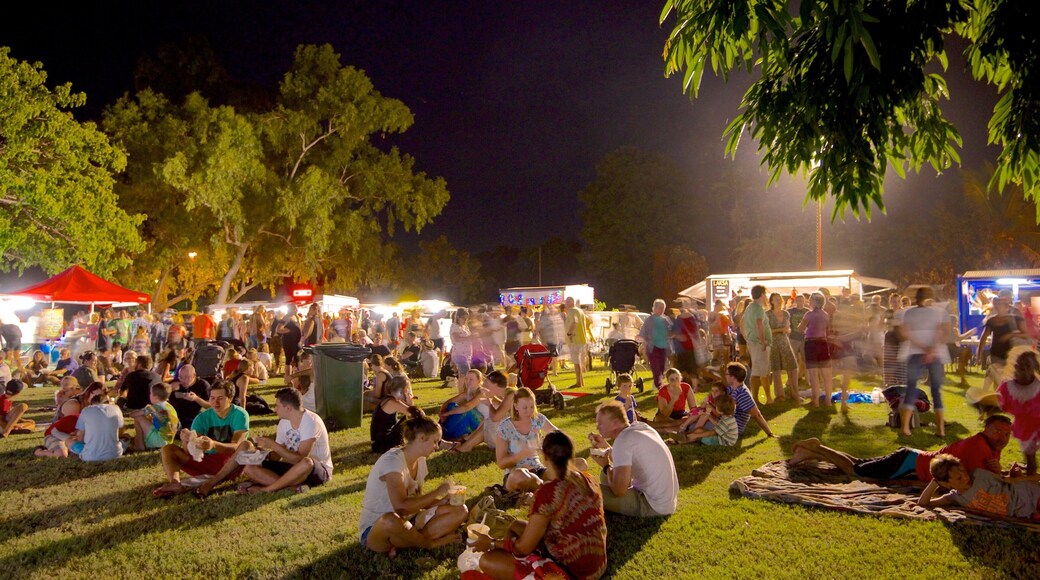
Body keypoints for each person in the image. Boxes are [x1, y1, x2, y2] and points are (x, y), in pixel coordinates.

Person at [467, 431, 608, 580]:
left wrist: (492, 543)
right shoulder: (589, 479)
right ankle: (515, 566)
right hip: (597, 564)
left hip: (572, 573)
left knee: (487, 560)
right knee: (514, 525)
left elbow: (523, 548)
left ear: (545, 457)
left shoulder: (547, 493)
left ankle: (522, 569)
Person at [359, 413, 469, 556]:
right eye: (435, 442)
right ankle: (429, 543)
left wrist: (441, 501)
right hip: (377, 529)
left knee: (461, 510)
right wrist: (437, 492)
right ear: (422, 438)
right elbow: (401, 508)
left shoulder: (420, 460)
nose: (436, 447)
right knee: (390, 520)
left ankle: (409, 542)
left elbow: (416, 501)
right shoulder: (392, 462)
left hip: (410, 521)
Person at [788, 414, 1014, 481]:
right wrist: (999, 474)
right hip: (910, 465)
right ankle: (817, 447)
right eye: (997, 431)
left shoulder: (990, 444)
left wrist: (999, 471)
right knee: (857, 472)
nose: (1002, 437)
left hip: (910, 458)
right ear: (986, 429)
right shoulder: (978, 447)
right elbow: (974, 482)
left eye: (1006, 434)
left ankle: (812, 451)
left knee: (859, 464)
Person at [197, 388, 332, 497]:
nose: (275, 409)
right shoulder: (284, 422)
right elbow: (277, 455)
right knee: (248, 464)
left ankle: (266, 489)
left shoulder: (310, 421)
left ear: (288, 408)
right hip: (292, 469)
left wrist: (273, 445)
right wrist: (262, 455)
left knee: (307, 462)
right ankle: (292, 487)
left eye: (277, 406)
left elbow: (299, 459)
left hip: (316, 470)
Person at [154, 382, 249, 497]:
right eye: (212, 398)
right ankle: (175, 483)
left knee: (247, 445)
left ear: (230, 398)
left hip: (231, 463)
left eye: (220, 398)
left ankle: (211, 482)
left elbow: (236, 447)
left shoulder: (239, 414)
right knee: (168, 449)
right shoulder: (201, 418)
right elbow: (190, 453)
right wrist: (187, 440)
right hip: (206, 462)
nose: (215, 402)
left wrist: (213, 445)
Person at [589, 400, 678, 517]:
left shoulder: (623, 440)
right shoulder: (641, 427)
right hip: (666, 503)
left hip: (651, 505)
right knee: (605, 476)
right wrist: (606, 446)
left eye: (600, 423)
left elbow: (619, 491)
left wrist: (606, 466)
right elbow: (627, 457)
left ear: (615, 423)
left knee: (588, 490)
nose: (597, 427)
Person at [919, 454, 1040, 518]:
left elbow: (1006, 481)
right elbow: (923, 503)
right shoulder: (955, 498)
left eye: (964, 471)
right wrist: (934, 482)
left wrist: (1013, 476)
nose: (965, 477)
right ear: (947, 484)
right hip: (1025, 510)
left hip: (1029, 494)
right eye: (959, 478)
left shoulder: (979, 475)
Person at [899, 286, 949, 437]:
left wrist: (922, 347)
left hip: (915, 351)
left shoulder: (909, 313)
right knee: (936, 390)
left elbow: (906, 333)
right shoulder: (938, 312)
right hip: (933, 353)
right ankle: (940, 429)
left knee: (911, 388)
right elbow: (941, 333)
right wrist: (931, 350)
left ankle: (905, 428)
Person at [496, 387, 559, 492]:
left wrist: (547, 443)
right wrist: (522, 454)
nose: (529, 411)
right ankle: (546, 487)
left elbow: (559, 435)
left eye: (532, 407)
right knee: (520, 476)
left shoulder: (538, 419)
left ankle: (542, 487)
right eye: (525, 408)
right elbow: (501, 463)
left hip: (538, 470)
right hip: (516, 474)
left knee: (578, 465)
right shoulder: (504, 427)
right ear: (516, 406)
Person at [997, 348, 1040, 475]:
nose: (1023, 369)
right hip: (1025, 426)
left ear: (1034, 368)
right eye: (1020, 365)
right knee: (1029, 454)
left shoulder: (1037, 388)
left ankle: (1031, 477)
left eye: (1028, 366)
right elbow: (999, 402)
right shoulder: (1008, 386)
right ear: (1015, 366)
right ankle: (1031, 476)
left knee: (1030, 455)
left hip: (1036, 425)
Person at [456, 370, 516, 453]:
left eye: (487, 383)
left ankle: (466, 445)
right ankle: (467, 441)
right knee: (487, 420)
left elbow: (495, 418)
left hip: (518, 439)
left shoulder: (511, 395)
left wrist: (489, 404)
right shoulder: (509, 392)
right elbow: (505, 409)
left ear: (495, 385)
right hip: (516, 432)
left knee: (490, 420)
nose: (484, 386)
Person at [69, 381, 125, 462]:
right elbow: (121, 430)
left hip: (90, 456)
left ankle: (76, 455)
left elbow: (80, 438)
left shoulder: (86, 411)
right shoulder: (116, 408)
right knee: (126, 438)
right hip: (116, 454)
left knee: (68, 441)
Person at [722, 362, 776, 439]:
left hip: (730, 429)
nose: (725, 376)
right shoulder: (732, 388)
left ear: (733, 377)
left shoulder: (742, 394)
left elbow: (756, 415)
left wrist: (769, 433)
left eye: (727, 374)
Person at [122, 354, 163, 451]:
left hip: (133, 405)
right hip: (153, 405)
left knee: (137, 416)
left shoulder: (131, 375)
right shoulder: (156, 376)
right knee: (140, 416)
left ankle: (139, 444)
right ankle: (141, 441)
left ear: (139, 363)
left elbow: (122, 391)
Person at [798, 292, 832, 407]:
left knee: (813, 374)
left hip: (811, 343)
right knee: (826, 374)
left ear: (814, 301)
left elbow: (800, 328)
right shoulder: (825, 314)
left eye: (810, 300)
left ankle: (815, 400)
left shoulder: (809, 314)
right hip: (823, 343)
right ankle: (828, 400)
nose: (808, 302)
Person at [741, 285, 772, 404]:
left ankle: (759, 398)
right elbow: (759, 323)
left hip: (752, 341)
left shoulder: (749, 307)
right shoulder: (758, 308)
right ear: (762, 295)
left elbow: (742, 323)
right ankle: (761, 398)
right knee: (760, 371)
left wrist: (747, 337)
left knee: (759, 370)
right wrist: (762, 340)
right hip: (759, 343)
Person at [766, 293, 799, 404]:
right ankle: (780, 395)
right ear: (771, 301)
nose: (778, 301)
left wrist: (787, 330)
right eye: (776, 299)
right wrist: (780, 330)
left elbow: (788, 327)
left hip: (785, 342)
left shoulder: (786, 313)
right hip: (773, 343)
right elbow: (767, 331)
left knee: (792, 366)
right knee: (776, 368)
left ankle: (794, 393)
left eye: (779, 299)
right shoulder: (768, 314)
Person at [670, 393, 738, 446]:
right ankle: (685, 436)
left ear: (721, 411)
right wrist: (708, 416)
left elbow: (711, 433)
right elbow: (717, 424)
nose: (715, 407)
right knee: (698, 430)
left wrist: (696, 435)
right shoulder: (728, 417)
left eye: (716, 406)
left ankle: (680, 441)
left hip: (722, 442)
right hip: (720, 437)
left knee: (699, 435)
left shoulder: (725, 422)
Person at [371, 376, 418, 454]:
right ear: (403, 391)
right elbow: (417, 414)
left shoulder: (388, 399)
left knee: (408, 418)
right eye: (408, 390)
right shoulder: (392, 403)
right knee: (410, 419)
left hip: (378, 443)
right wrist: (410, 402)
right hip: (382, 445)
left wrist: (409, 403)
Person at [639, 299, 673, 388]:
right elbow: (643, 333)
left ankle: (658, 382)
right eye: (660, 307)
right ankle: (658, 384)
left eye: (663, 308)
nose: (662, 309)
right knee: (655, 366)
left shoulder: (666, 320)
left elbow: (671, 331)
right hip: (653, 347)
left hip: (664, 347)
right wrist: (646, 342)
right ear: (654, 308)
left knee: (662, 366)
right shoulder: (649, 320)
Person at [167, 364, 211, 432]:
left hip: (192, 418)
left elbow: (210, 406)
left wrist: (196, 398)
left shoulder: (203, 385)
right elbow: (159, 396)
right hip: (174, 417)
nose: (183, 380)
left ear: (194, 375)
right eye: (180, 377)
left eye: (186, 377)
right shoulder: (174, 383)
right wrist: (169, 388)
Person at [139, 383, 180, 450]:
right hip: (169, 441)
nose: (149, 395)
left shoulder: (155, 407)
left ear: (155, 397)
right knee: (147, 418)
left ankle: (139, 445)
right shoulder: (170, 407)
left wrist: (141, 411)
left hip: (159, 440)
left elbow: (133, 415)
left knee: (139, 417)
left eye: (150, 393)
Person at [564, 298, 592, 389]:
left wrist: (569, 333)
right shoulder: (580, 311)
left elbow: (575, 322)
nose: (565, 304)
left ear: (570, 302)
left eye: (566, 302)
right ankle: (581, 382)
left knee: (576, 362)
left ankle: (578, 382)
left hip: (575, 339)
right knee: (578, 361)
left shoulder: (572, 311)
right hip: (582, 339)